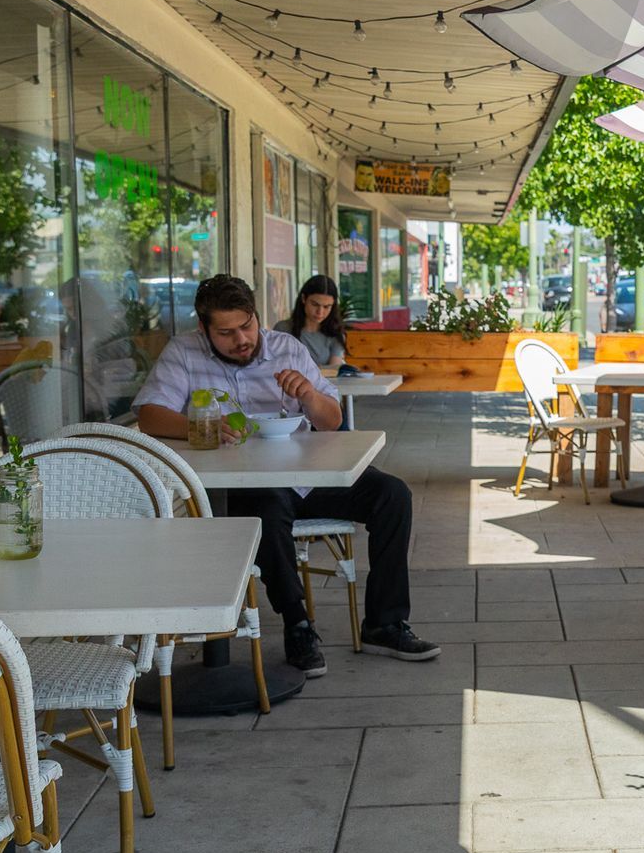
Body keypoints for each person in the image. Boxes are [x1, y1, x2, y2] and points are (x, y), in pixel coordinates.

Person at [134, 274, 437, 675]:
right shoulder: (184, 353)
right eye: (225, 333)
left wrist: (309, 397)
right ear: (204, 328)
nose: (240, 339)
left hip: (306, 474)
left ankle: (384, 622)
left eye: (246, 326)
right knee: (268, 507)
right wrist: (201, 425)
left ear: (257, 316)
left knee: (392, 495)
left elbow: (330, 421)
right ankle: (297, 623)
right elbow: (149, 415)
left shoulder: (287, 349)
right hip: (238, 485)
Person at [278, 274, 345, 369]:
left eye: (327, 307)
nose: (320, 312)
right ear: (303, 299)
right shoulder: (283, 329)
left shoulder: (335, 333)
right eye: (315, 304)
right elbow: (276, 365)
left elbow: (334, 371)